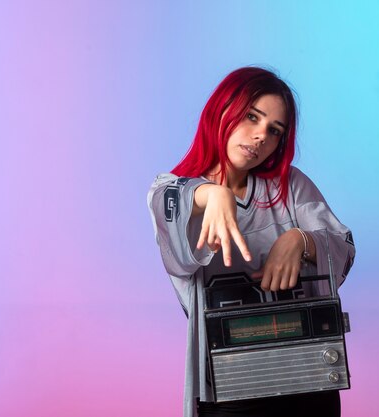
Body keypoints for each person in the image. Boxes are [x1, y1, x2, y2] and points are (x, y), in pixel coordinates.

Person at [147, 67, 355, 417]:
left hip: (307, 377)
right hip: (231, 389)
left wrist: (300, 239)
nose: (260, 136)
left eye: (274, 130)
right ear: (221, 109)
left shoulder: (289, 185)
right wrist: (210, 194)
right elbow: (170, 207)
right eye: (251, 117)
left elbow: (344, 248)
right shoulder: (171, 192)